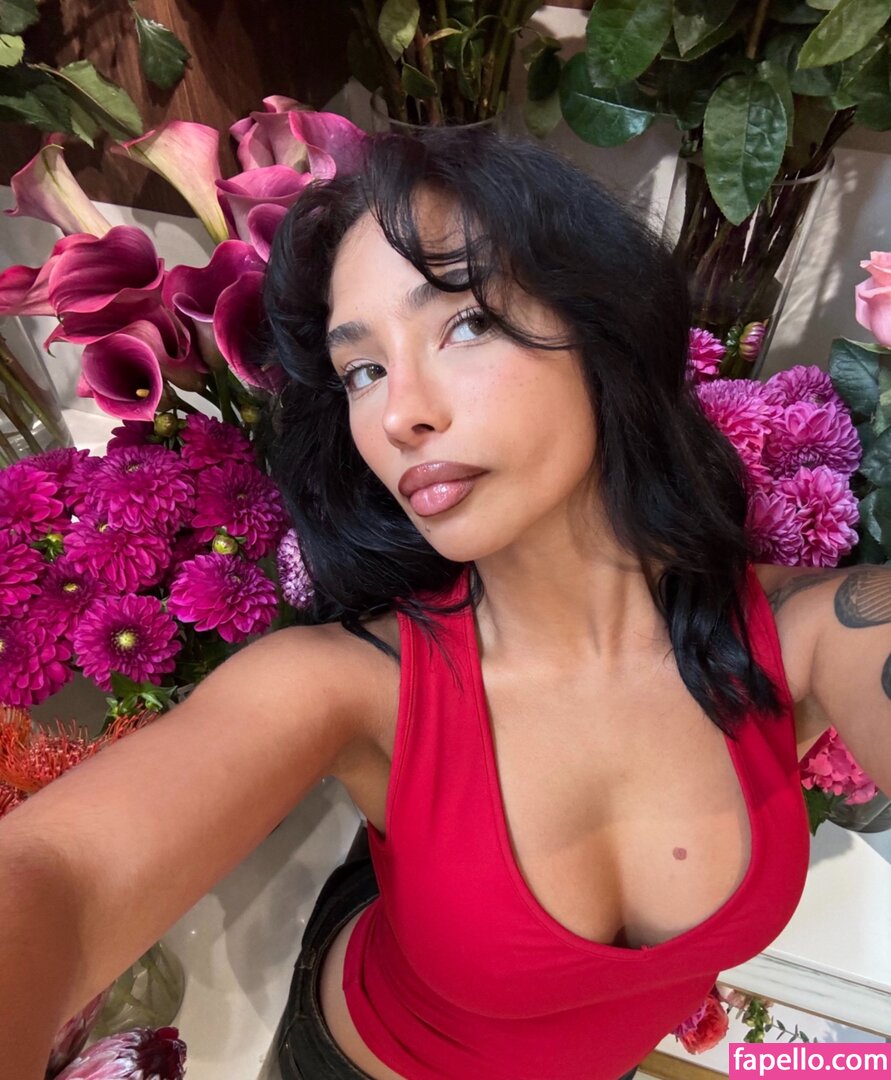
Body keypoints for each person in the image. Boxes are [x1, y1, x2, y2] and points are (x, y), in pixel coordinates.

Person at [1, 126, 889, 1080]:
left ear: (609, 329)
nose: (398, 415)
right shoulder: (343, 683)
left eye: (465, 325)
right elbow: (60, 880)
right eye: (363, 370)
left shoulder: (813, 633)